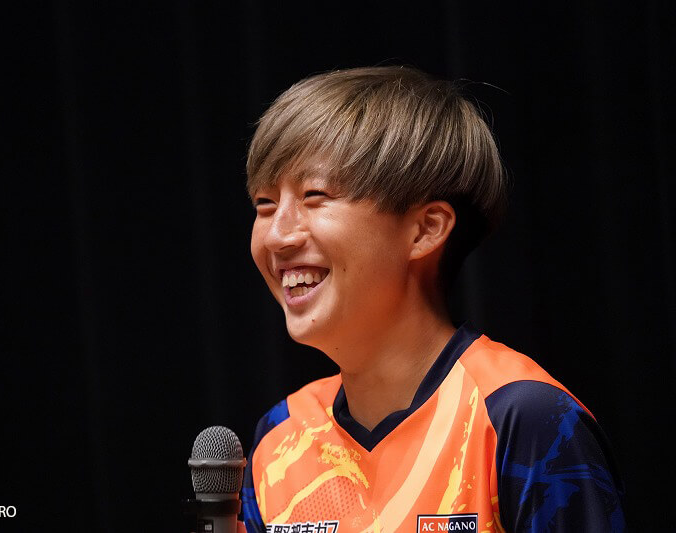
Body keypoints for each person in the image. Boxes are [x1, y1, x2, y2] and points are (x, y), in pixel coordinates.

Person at [238, 66, 626, 533]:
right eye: (264, 204)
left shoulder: (522, 418)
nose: (276, 235)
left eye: (314, 195)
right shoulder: (279, 437)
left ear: (426, 229)